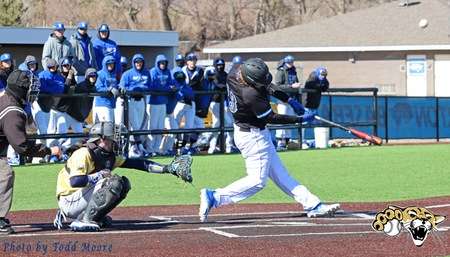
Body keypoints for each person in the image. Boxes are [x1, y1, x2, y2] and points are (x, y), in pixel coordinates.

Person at [199, 58, 340, 222]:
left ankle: (313, 204)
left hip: (249, 131)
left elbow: (268, 86)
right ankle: (215, 196)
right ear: (251, 81)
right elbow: (272, 117)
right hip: (253, 137)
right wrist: (299, 119)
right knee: (257, 181)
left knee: (281, 174)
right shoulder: (250, 95)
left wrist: (289, 100)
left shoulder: (235, 71)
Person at [53, 121, 193, 232]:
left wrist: (168, 168)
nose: (117, 141)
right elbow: (75, 181)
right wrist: (99, 175)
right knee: (112, 182)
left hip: (80, 198)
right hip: (69, 200)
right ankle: (83, 220)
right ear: (101, 139)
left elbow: (140, 164)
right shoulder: (84, 153)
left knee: (123, 184)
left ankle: (93, 216)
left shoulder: (109, 156)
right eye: (113, 137)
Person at [0, 69, 61, 234]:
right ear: (19, 88)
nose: (32, 91)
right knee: (5, 174)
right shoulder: (13, 111)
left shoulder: (4, 95)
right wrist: (49, 150)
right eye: (29, 87)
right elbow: (22, 146)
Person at [46, 58, 83, 154]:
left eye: (68, 65)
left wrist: (72, 78)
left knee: (78, 134)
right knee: (52, 132)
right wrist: (69, 76)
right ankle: (50, 153)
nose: (66, 67)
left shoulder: (72, 77)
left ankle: (61, 150)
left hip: (67, 109)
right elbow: (64, 88)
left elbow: (74, 89)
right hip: (56, 108)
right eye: (64, 66)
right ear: (61, 67)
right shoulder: (58, 76)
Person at [119, 54, 151, 158]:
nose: (138, 64)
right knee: (135, 125)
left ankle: (138, 146)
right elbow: (122, 85)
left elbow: (149, 86)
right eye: (137, 62)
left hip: (141, 100)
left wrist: (140, 87)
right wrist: (132, 89)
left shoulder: (146, 73)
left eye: (140, 62)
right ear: (133, 63)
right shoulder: (128, 73)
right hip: (131, 100)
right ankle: (135, 147)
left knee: (141, 124)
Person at [274, 55, 302, 151]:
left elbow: (296, 83)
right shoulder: (281, 71)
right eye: (289, 62)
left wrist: (296, 87)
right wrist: (291, 86)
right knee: (281, 120)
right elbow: (277, 86)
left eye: (292, 62)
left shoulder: (293, 71)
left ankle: (287, 140)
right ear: (285, 62)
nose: (291, 64)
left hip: (292, 100)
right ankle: (280, 141)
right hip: (282, 100)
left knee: (290, 120)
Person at [208, 58, 234, 154]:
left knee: (224, 124)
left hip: (224, 102)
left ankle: (228, 146)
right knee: (224, 123)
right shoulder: (213, 73)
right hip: (214, 103)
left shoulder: (225, 75)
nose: (220, 66)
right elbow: (218, 84)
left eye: (221, 65)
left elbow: (229, 85)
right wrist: (225, 86)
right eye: (218, 65)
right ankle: (211, 146)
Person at [147, 54, 172, 156]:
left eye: (164, 63)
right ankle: (150, 148)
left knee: (160, 126)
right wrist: (166, 88)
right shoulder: (153, 71)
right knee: (153, 126)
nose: (162, 65)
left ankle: (157, 148)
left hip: (163, 103)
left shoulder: (168, 71)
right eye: (161, 63)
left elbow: (171, 83)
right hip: (153, 103)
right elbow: (153, 86)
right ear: (157, 63)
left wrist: (167, 87)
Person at [181, 53, 204, 153]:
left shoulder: (200, 71)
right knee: (175, 125)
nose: (192, 62)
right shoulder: (182, 70)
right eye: (190, 60)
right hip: (181, 101)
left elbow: (196, 83)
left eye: (194, 60)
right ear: (187, 62)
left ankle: (188, 146)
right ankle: (178, 147)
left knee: (191, 126)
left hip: (193, 101)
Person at [301, 67, 329, 146]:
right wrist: (319, 86)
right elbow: (310, 85)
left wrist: (321, 85)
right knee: (304, 123)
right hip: (307, 105)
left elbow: (325, 87)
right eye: (321, 74)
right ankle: (302, 141)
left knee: (316, 124)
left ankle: (318, 141)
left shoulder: (323, 80)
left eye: (324, 75)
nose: (323, 76)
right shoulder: (312, 78)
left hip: (315, 105)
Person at [173, 69, 195, 153]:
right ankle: (177, 146)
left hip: (189, 105)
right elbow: (178, 95)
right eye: (179, 78)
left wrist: (182, 94)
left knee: (189, 126)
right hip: (177, 104)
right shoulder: (174, 83)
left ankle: (184, 146)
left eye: (182, 78)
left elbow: (190, 94)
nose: (180, 80)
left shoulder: (186, 86)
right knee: (175, 126)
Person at [93, 56, 120, 123]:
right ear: (104, 64)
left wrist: (119, 88)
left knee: (111, 127)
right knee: (107, 128)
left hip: (112, 104)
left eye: (112, 63)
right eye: (108, 63)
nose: (110, 65)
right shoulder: (100, 74)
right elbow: (97, 88)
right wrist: (109, 89)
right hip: (102, 104)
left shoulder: (114, 74)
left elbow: (116, 86)